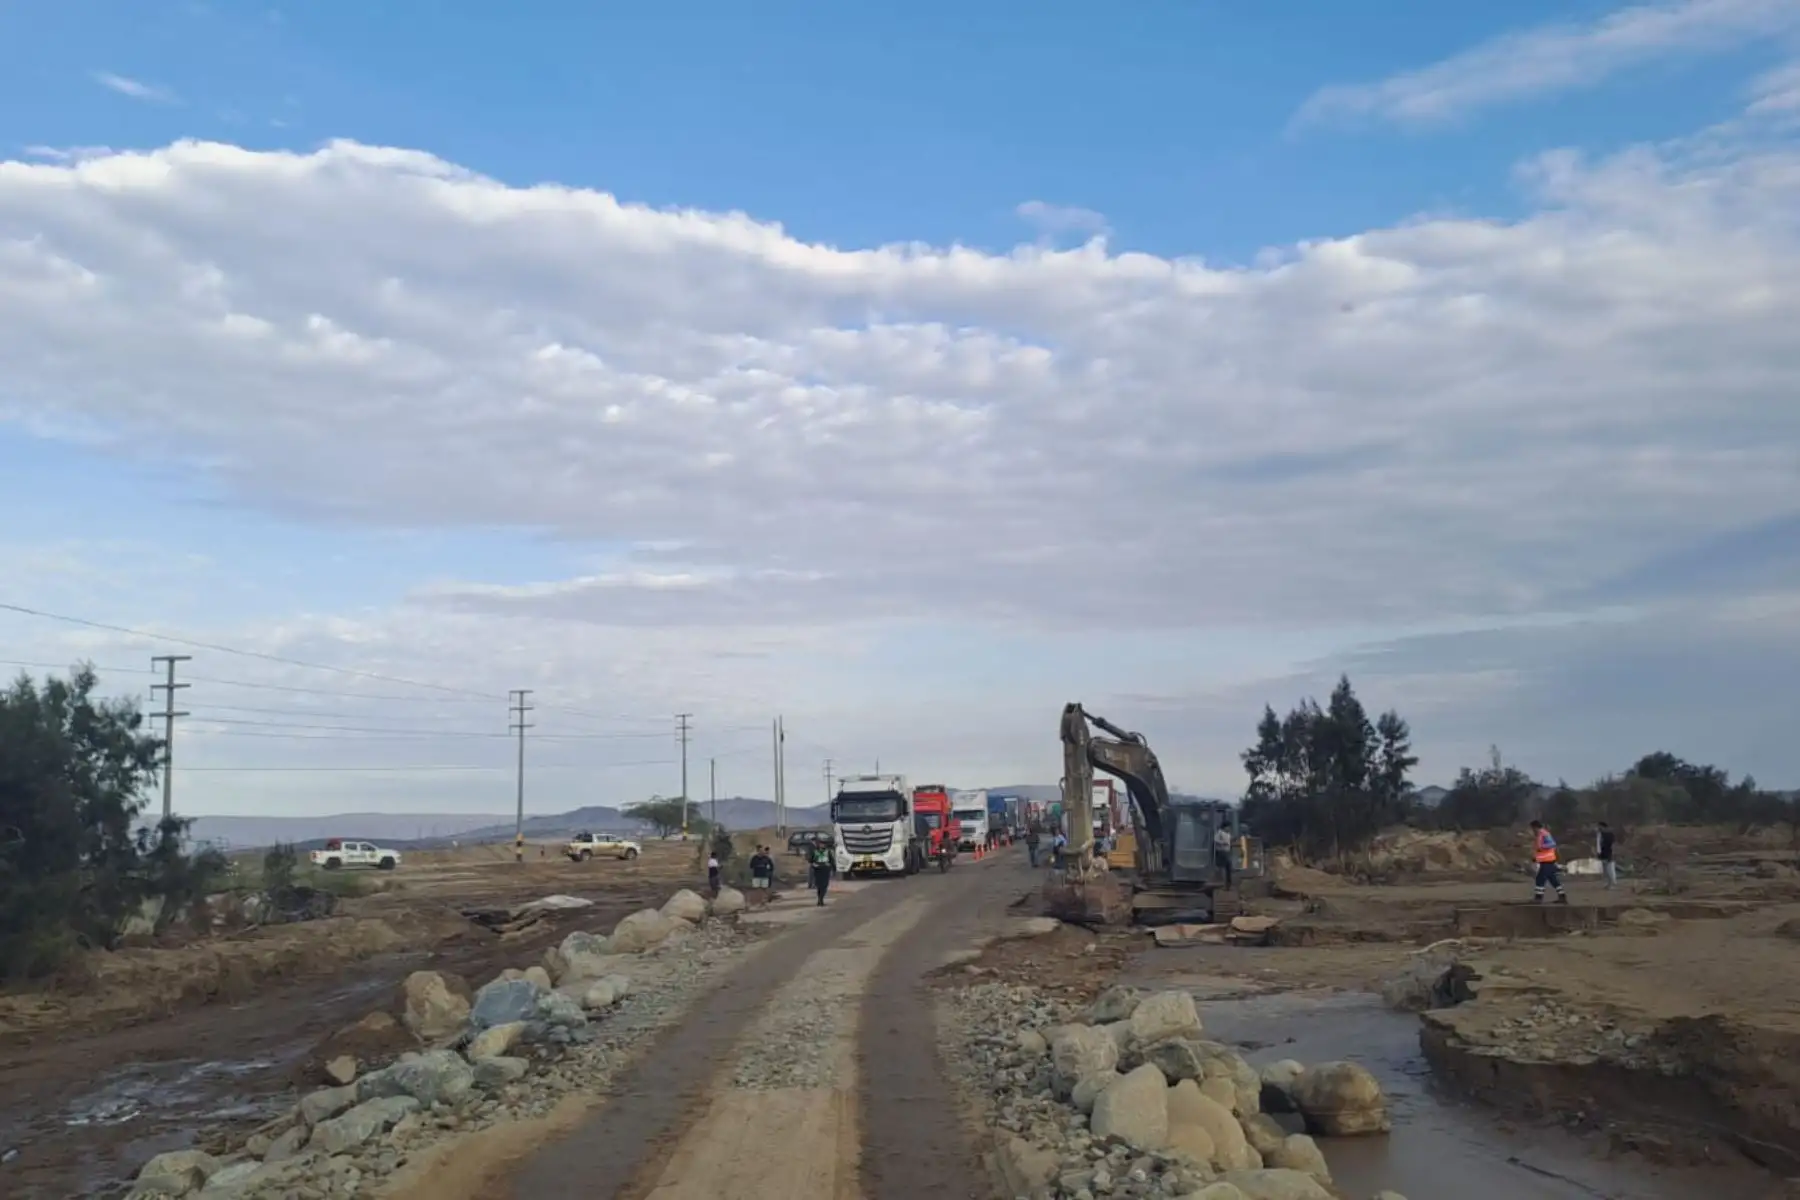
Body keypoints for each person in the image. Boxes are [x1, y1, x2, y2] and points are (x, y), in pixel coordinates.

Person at [1530, 819, 1568, 904]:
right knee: (1553, 879)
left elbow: (1552, 844)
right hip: (1545, 860)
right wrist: (1536, 857)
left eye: (1533, 828)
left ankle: (1538, 897)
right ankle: (1562, 896)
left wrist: (1542, 847)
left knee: (1540, 878)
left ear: (1535, 827)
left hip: (1548, 860)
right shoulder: (1540, 834)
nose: (1532, 830)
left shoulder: (1544, 834)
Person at [808, 840, 833, 905]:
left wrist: (830, 866)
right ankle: (820, 899)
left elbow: (831, 861)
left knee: (824, 886)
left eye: (823, 844)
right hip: (818, 870)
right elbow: (810, 860)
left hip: (825, 870)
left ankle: (821, 899)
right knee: (819, 885)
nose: (822, 845)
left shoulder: (828, 851)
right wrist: (814, 865)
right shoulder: (815, 852)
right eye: (820, 844)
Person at [1595, 822, 1617, 890]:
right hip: (1602, 853)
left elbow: (1613, 845)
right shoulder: (1599, 834)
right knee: (1605, 869)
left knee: (1609, 869)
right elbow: (1598, 844)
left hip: (1608, 853)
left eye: (1599, 827)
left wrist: (1613, 852)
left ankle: (1611, 883)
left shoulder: (1609, 834)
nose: (1598, 828)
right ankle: (1608, 883)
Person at [1213, 824, 1234, 888]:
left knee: (1228, 868)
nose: (1229, 829)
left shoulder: (1228, 834)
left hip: (1227, 851)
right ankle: (1223, 882)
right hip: (1221, 852)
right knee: (1223, 867)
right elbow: (1215, 840)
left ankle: (1228, 883)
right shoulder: (1219, 833)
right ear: (1225, 827)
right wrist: (1223, 843)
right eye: (1228, 827)